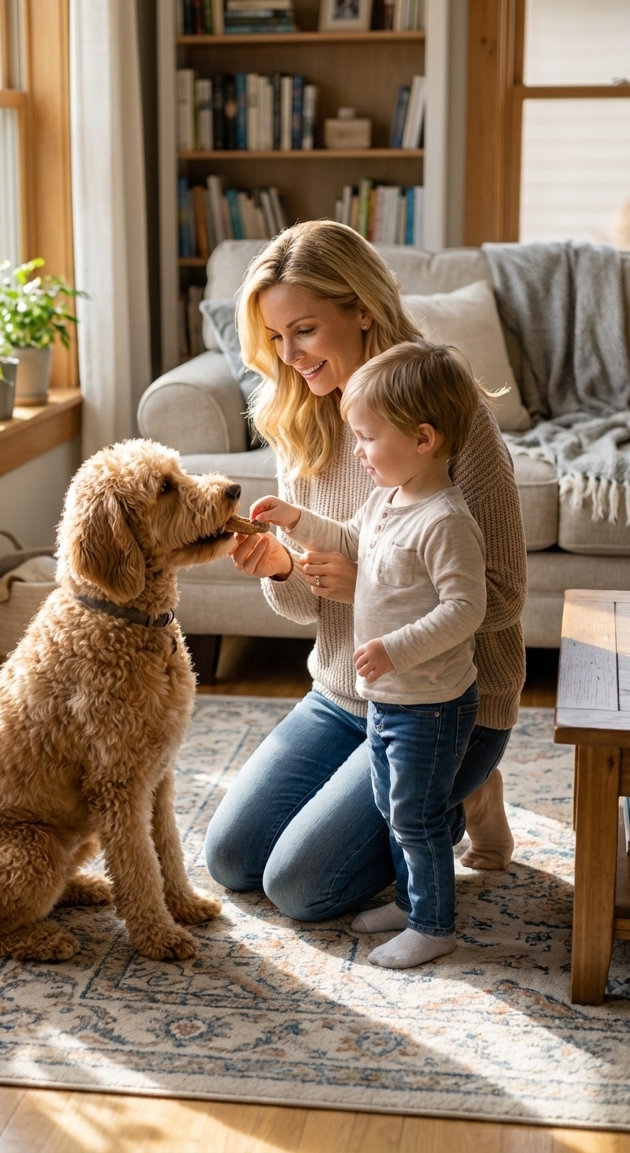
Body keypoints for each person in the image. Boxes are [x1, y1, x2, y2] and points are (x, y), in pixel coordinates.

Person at [203, 221, 527, 930]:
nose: (289, 357)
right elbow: (300, 610)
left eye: (305, 330)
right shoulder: (302, 421)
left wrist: (371, 585)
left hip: (443, 706)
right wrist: (285, 566)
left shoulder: (445, 418)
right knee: (230, 860)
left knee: (301, 889)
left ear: (361, 308)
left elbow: (501, 594)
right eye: (276, 339)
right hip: (344, 694)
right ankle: (442, 798)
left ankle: (460, 791)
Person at [252, 341, 487, 969]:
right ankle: (414, 902)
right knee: (389, 806)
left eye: (368, 438)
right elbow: (350, 539)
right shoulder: (389, 497)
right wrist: (296, 519)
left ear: (424, 438)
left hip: (430, 706)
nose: (357, 451)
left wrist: (393, 648)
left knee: (416, 813)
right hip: (388, 699)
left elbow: (467, 610)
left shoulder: (445, 521)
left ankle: (434, 925)